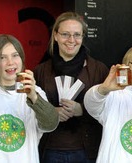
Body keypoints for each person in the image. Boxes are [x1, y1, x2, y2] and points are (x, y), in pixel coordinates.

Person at [0, 34, 59, 162]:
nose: (10, 62)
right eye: (2, 57)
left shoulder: (35, 92)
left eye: (15, 55)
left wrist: (33, 97)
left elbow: (51, 124)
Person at [34, 12, 109, 162]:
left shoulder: (98, 70)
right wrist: (50, 113)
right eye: (65, 34)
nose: (71, 40)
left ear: (82, 37)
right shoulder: (41, 71)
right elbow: (32, 109)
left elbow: (109, 110)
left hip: (87, 149)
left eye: (77, 35)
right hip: (50, 149)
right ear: (55, 35)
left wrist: (82, 109)